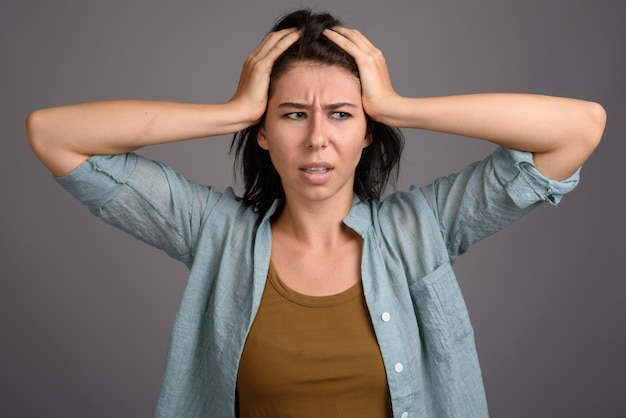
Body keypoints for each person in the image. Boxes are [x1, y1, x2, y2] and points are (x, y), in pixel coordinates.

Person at [26, 8, 605, 418]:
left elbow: (579, 129)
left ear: (367, 135)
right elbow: (53, 135)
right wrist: (232, 110)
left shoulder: (421, 229)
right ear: (263, 133)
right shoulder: (214, 233)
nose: (318, 140)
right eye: (294, 115)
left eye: (342, 115)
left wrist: (397, 106)